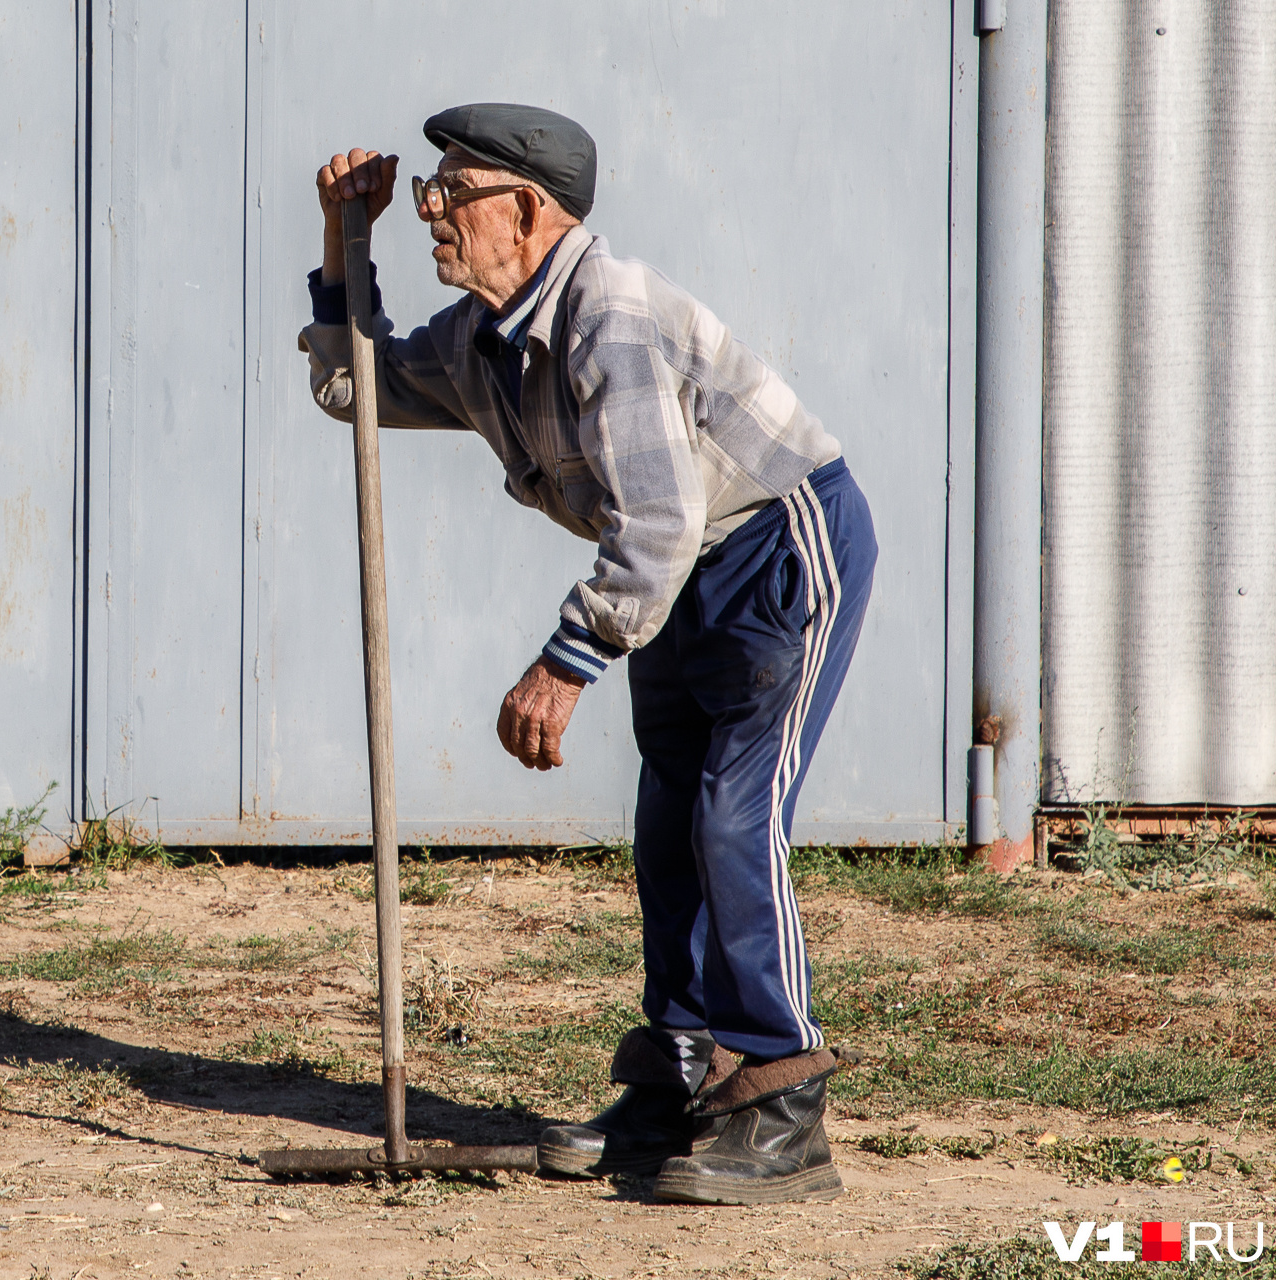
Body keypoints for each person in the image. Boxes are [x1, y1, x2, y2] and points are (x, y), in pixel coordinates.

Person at [298, 103, 876, 1206]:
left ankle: (781, 1090)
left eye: (448, 194)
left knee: (731, 812)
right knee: (669, 824)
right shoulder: (484, 342)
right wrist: (342, 239)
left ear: (526, 210)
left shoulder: (607, 317)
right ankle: (681, 1069)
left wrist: (563, 665)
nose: (428, 212)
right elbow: (351, 390)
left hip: (770, 545)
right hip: (676, 570)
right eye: (427, 192)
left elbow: (656, 525)